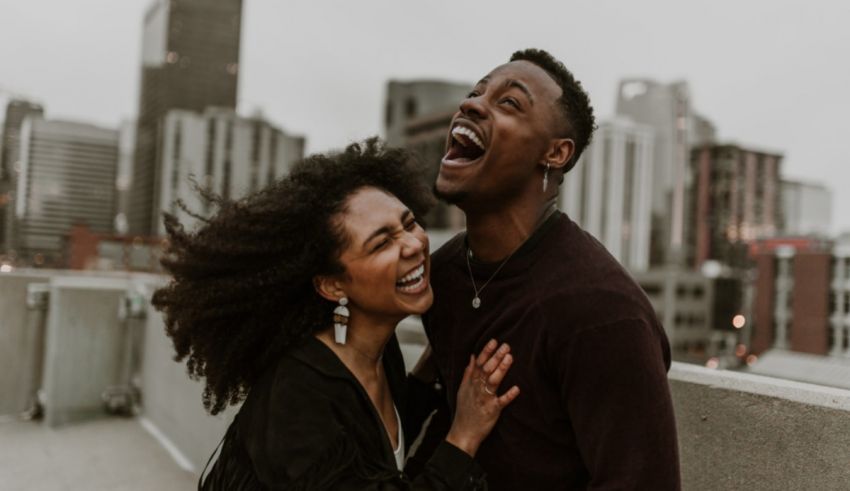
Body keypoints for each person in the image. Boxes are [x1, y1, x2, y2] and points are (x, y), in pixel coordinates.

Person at [152, 139, 520, 490]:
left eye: (409, 223)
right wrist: (465, 435)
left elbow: (367, 442)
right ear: (332, 286)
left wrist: (428, 372)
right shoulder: (297, 395)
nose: (413, 243)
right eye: (381, 243)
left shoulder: (375, 350)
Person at [421, 49, 681, 489]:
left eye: (509, 103)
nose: (471, 104)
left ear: (555, 153)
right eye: (475, 92)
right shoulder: (444, 273)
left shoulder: (601, 312)